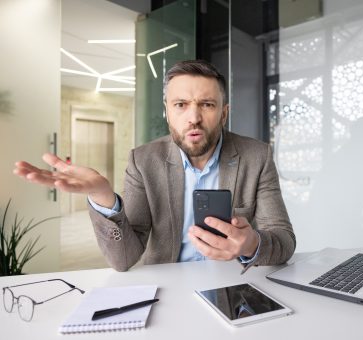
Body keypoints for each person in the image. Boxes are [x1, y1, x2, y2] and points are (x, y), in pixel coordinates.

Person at [13, 60, 296, 272]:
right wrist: (103, 196)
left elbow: (284, 242)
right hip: (167, 290)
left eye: (207, 104)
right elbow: (124, 260)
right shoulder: (143, 161)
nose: (193, 117)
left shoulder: (256, 156)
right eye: (181, 104)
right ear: (167, 111)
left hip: (237, 285)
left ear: (224, 113)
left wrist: (250, 244)